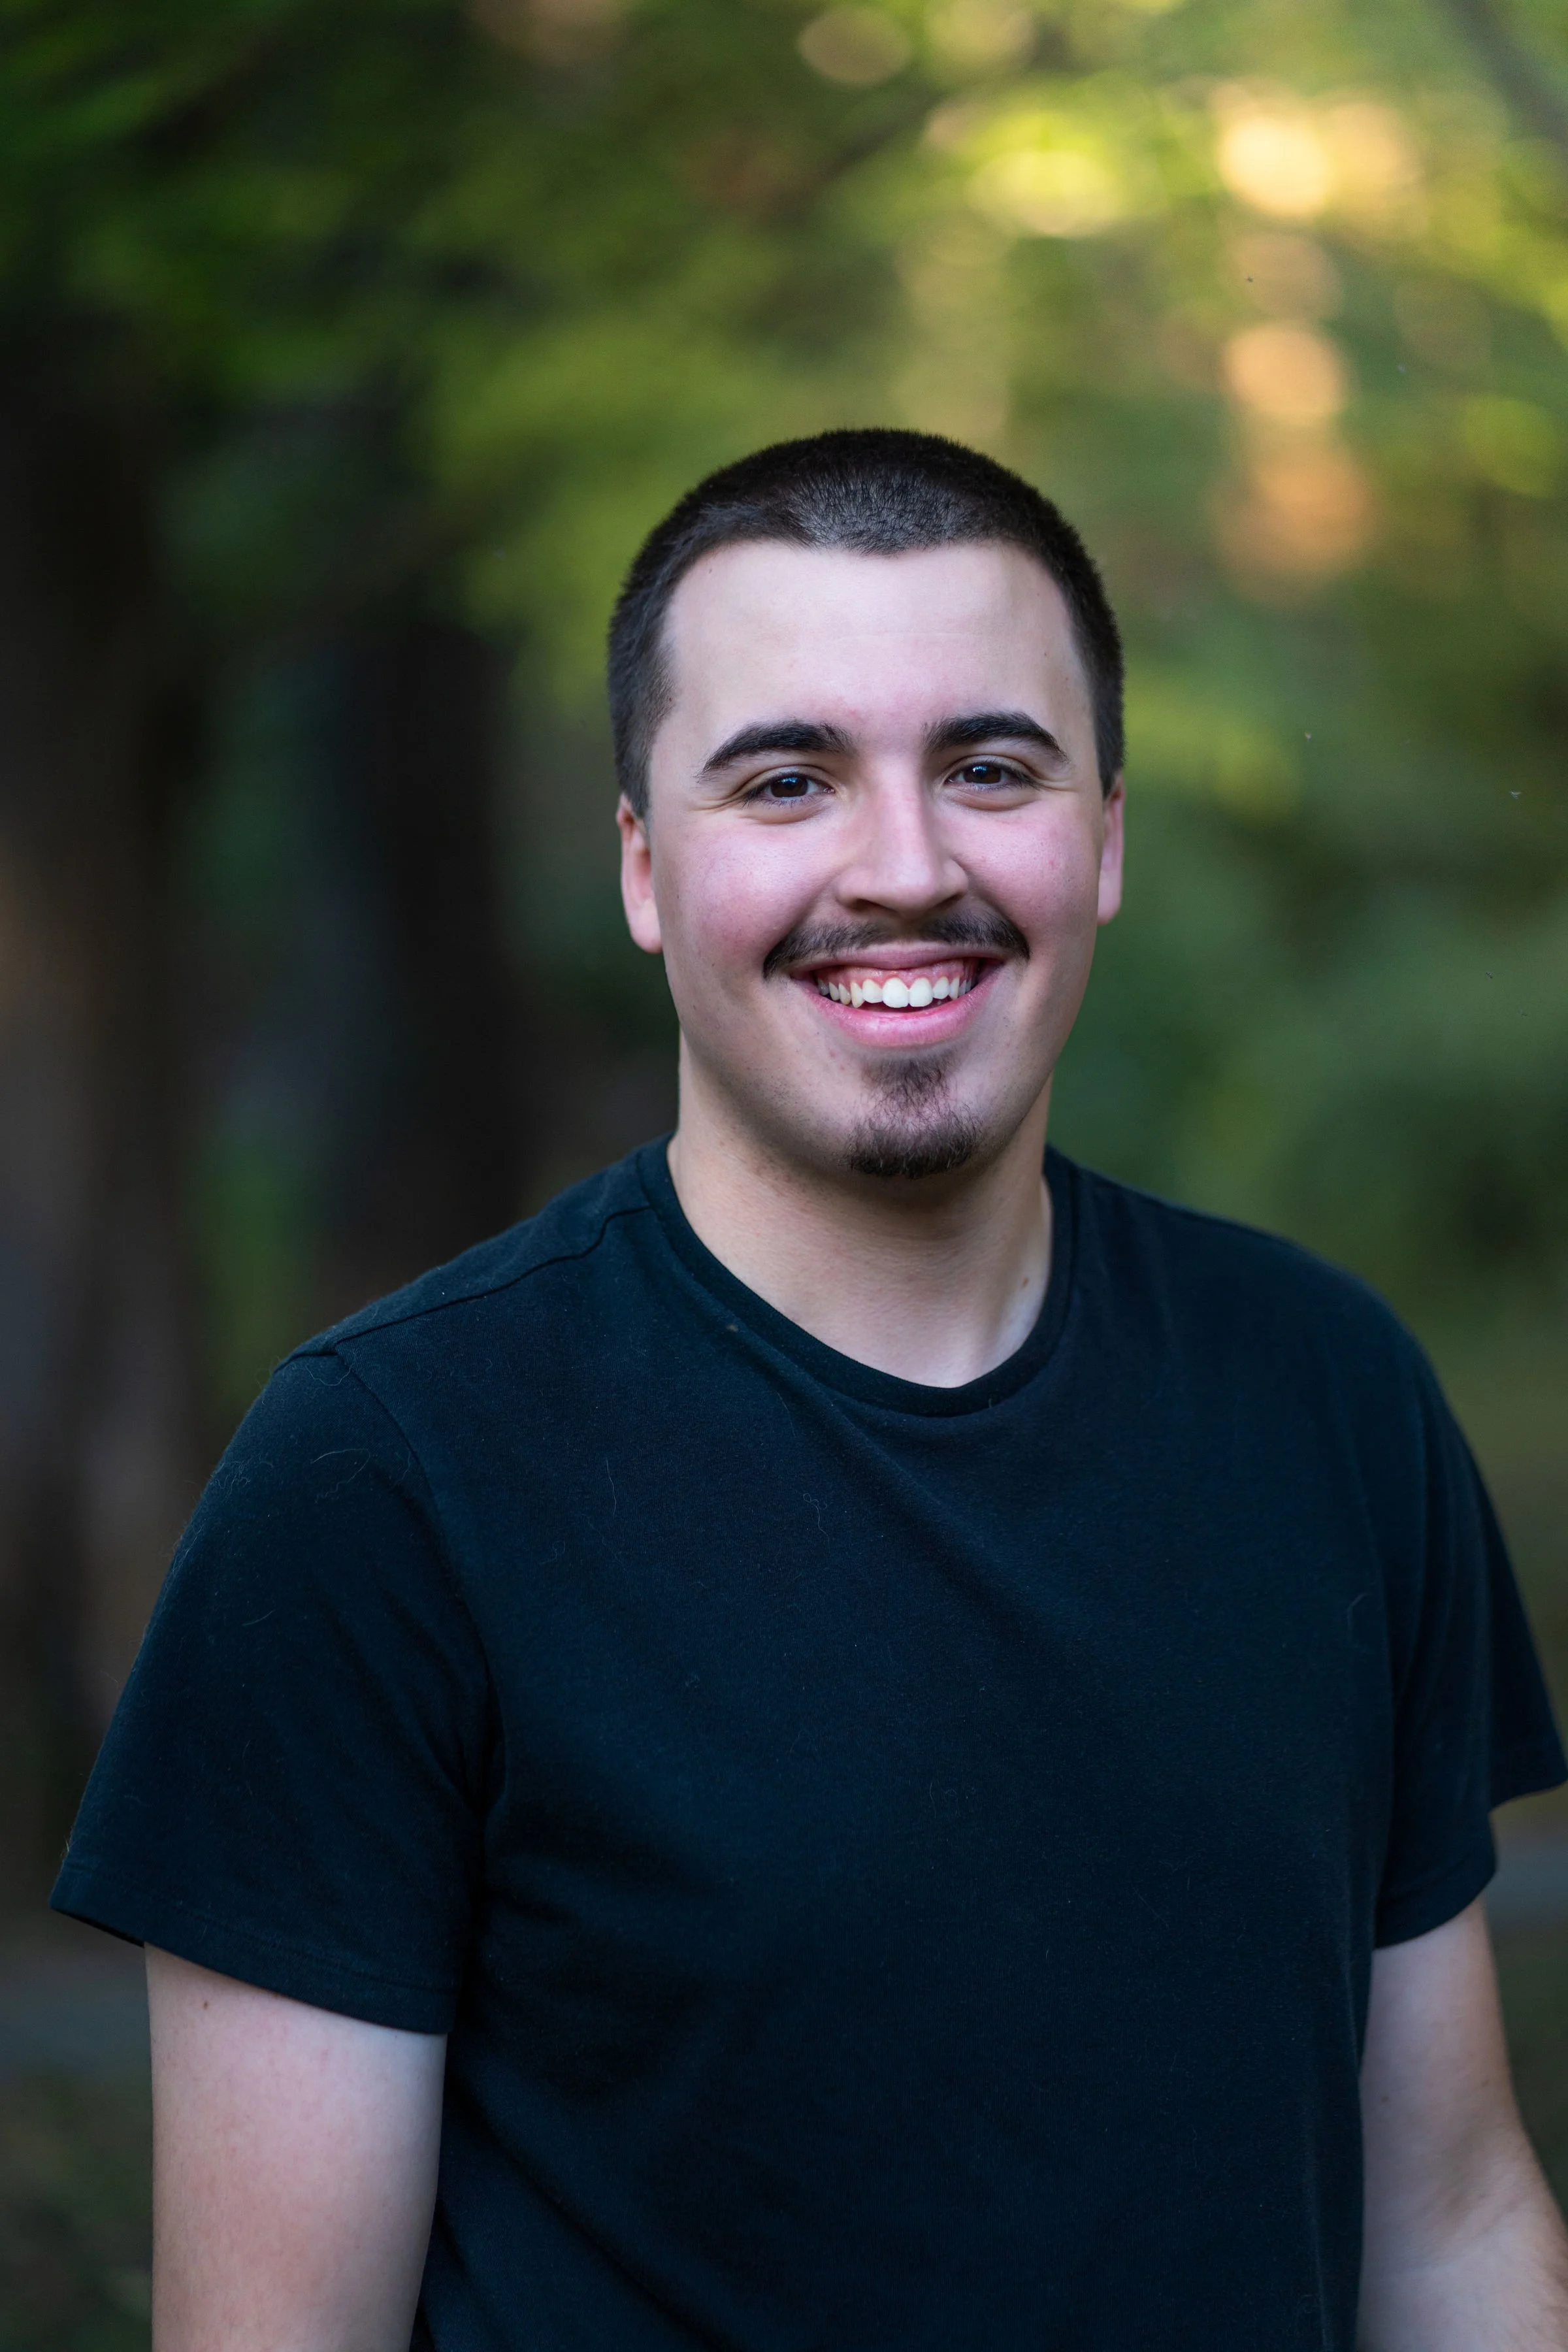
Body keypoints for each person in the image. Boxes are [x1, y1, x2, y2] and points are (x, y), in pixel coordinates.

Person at [55, 429, 1568, 2351]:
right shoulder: (383, 1480)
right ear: (644, 867)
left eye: (991, 769)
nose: (906, 870)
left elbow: (1451, 2220)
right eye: (787, 780)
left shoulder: (1329, 1398)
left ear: (1105, 838)